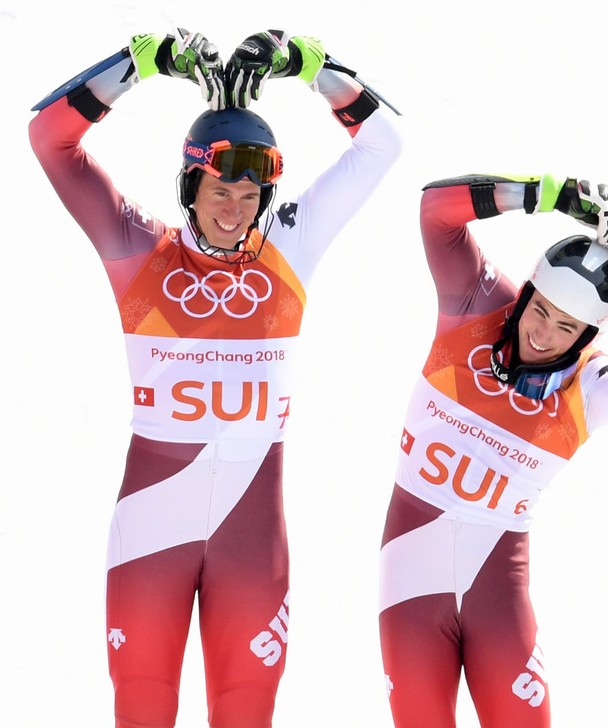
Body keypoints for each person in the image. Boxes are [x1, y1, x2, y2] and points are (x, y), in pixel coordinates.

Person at [29, 28, 402, 727]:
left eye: (249, 193)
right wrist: (141, 64)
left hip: (250, 536)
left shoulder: (290, 246)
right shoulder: (138, 251)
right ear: (189, 184)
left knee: (245, 712)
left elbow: (382, 146)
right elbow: (50, 139)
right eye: (217, 189)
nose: (233, 210)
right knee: (141, 709)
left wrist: (309, 67)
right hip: (149, 529)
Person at [378, 174, 608, 726]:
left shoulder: (586, 385)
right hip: (413, 573)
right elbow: (436, 212)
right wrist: (545, 194)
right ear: (526, 296)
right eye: (539, 312)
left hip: (496, 588)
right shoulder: (477, 304)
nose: (542, 334)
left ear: (587, 338)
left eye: (566, 328)